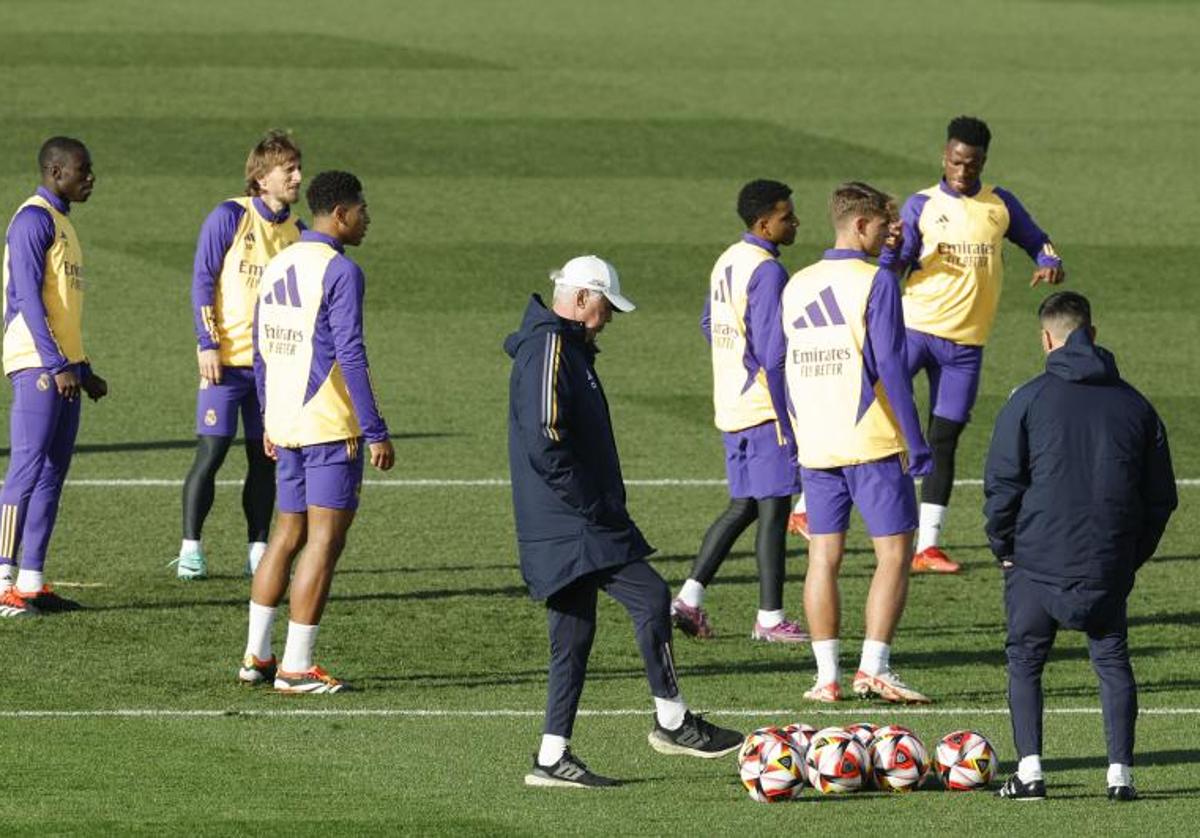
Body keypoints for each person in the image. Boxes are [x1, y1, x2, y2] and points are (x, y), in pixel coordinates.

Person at [506, 255, 743, 789]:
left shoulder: (566, 348)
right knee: (650, 597)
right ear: (583, 297)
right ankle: (673, 720)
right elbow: (545, 436)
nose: (608, 317)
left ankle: (551, 757)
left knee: (573, 638)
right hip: (574, 523)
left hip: (571, 520)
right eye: (606, 306)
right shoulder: (550, 347)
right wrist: (592, 505)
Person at [985, 291, 1176, 801]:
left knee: (1025, 659)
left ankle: (1030, 775)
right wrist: (1128, 555)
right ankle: (1121, 778)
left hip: (1034, 565)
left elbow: (1002, 483)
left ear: (1046, 339)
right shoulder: (1136, 404)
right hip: (1106, 565)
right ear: (1092, 333)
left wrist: (1003, 545)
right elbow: (1161, 499)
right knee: (1112, 660)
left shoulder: (1027, 398)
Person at [238, 170, 394, 693]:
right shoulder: (341, 272)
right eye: (363, 209)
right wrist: (375, 430)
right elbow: (350, 352)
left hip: (285, 423)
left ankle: (256, 656)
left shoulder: (281, 259)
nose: (367, 219)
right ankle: (297, 667)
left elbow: (261, 350)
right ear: (341, 213)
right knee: (323, 542)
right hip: (328, 425)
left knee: (286, 536)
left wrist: (267, 419)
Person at [781, 183, 933, 703]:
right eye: (881, 227)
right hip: (869, 438)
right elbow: (891, 364)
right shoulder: (878, 283)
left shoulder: (797, 283)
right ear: (862, 225)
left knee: (823, 556)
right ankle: (874, 667)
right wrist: (917, 439)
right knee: (894, 553)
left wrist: (792, 429)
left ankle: (826, 679)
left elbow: (780, 365)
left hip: (816, 443)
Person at [896, 115, 1065, 573]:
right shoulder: (921, 205)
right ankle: (807, 506)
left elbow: (1038, 241)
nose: (962, 171)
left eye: (970, 164)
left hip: (966, 346)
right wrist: (897, 250)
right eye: (955, 162)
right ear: (943, 157)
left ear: (983, 161)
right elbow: (900, 258)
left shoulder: (999, 204)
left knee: (944, 439)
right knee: (869, 406)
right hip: (915, 330)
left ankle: (926, 547)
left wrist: (1050, 260)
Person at [670, 179, 807, 643]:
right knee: (774, 509)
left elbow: (709, 323)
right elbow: (773, 351)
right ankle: (770, 618)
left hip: (730, 403)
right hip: (763, 407)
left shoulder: (727, 259)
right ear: (764, 221)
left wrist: (735, 362)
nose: (796, 223)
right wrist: (790, 415)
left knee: (744, 504)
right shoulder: (767, 271)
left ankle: (689, 597)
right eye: (788, 216)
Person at [174, 130, 305, 580]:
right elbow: (201, 282)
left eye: (297, 168)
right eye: (288, 169)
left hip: (274, 373)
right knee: (210, 453)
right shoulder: (230, 216)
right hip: (226, 364)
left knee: (265, 460)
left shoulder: (298, 233)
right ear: (262, 177)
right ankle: (191, 549)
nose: (297, 177)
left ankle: (258, 550)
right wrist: (207, 343)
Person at [0, 137, 107, 618]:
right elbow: (26, 297)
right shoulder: (32, 220)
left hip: (62, 366)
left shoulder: (63, 224)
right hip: (35, 363)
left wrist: (83, 370)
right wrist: (57, 364)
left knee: (51, 474)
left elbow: (62, 309)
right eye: (83, 170)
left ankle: (32, 581)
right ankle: (1, 580)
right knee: (25, 470)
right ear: (56, 170)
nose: (91, 177)